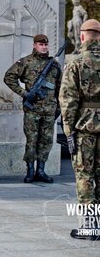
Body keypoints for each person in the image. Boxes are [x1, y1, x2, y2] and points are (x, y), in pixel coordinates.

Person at [59, 19, 100, 240]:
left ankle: (90, 226)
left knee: (85, 175)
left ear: (82, 36)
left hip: (84, 128)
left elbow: (68, 100)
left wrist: (68, 131)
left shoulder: (76, 62)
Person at [4, 34, 61, 184]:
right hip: (32, 110)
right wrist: (24, 93)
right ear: (34, 45)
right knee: (32, 141)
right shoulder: (26, 62)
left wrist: (59, 108)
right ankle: (30, 170)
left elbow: (60, 88)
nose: (44, 47)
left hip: (49, 110)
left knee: (46, 141)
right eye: (40, 44)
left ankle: (41, 170)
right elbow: (9, 77)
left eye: (45, 45)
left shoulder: (54, 65)